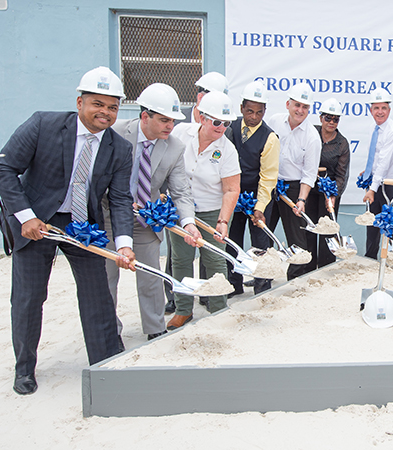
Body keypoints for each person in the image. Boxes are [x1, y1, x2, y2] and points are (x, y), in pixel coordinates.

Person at [0, 66, 136, 395]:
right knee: (29, 298)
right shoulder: (43, 124)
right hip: (37, 222)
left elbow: (119, 198)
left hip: (83, 225)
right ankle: (24, 369)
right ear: (80, 102)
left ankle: (105, 363)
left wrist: (124, 245)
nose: (105, 112)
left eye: (112, 107)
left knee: (97, 296)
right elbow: (3, 167)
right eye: (97, 104)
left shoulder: (118, 148)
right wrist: (26, 217)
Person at [105, 83, 202, 341]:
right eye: (164, 120)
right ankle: (108, 332)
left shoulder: (174, 147)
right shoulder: (114, 133)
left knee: (151, 275)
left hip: (145, 220)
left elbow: (181, 191)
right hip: (109, 217)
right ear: (145, 116)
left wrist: (188, 223)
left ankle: (154, 329)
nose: (170, 126)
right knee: (106, 278)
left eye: (172, 120)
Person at [165, 91, 241, 330]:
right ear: (202, 117)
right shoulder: (180, 134)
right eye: (216, 121)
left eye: (226, 123)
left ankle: (219, 309)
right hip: (179, 209)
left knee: (216, 260)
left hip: (211, 211)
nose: (221, 127)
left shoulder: (227, 150)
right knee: (181, 261)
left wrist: (223, 221)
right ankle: (183, 310)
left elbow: (231, 189)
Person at [224, 80, 280, 296]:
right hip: (234, 194)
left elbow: (268, 177)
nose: (254, 117)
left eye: (259, 112)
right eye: (250, 111)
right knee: (232, 240)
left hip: (259, 197)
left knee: (260, 244)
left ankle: (262, 286)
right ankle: (234, 284)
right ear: (241, 108)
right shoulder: (230, 127)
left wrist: (260, 207)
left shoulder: (270, 138)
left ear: (265, 111)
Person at [265, 84, 322, 280]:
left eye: (305, 107)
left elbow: (309, 174)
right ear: (288, 104)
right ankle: (262, 279)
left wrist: (301, 200)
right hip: (270, 185)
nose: (300, 110)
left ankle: (295, 282)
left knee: (297, 241)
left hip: (294, 189)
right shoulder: (274, 122)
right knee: (264, 234)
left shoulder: (312, 137)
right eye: (297, 105)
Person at [362, 88, 393, 259]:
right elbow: (376, 158)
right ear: (370, 110)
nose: (380, 112)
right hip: (379, 182)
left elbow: (385, 163)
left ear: (389, 110)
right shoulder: (373, 128)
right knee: (373, 225)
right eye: (376, 108)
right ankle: (371, 261)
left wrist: (372, 189)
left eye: (383, 108)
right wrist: (369, 171)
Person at [305, 98, 350, 271]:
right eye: (328, 118)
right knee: (309, 230)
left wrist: (333, 196)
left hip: (329, 193)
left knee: (327, 233)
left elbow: (341, 174)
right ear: (321, 117)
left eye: (335, 119)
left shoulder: (342, 143)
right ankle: (307, 270)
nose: (331, 122)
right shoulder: (311, 133)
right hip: (309, 189)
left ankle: (325, 269)